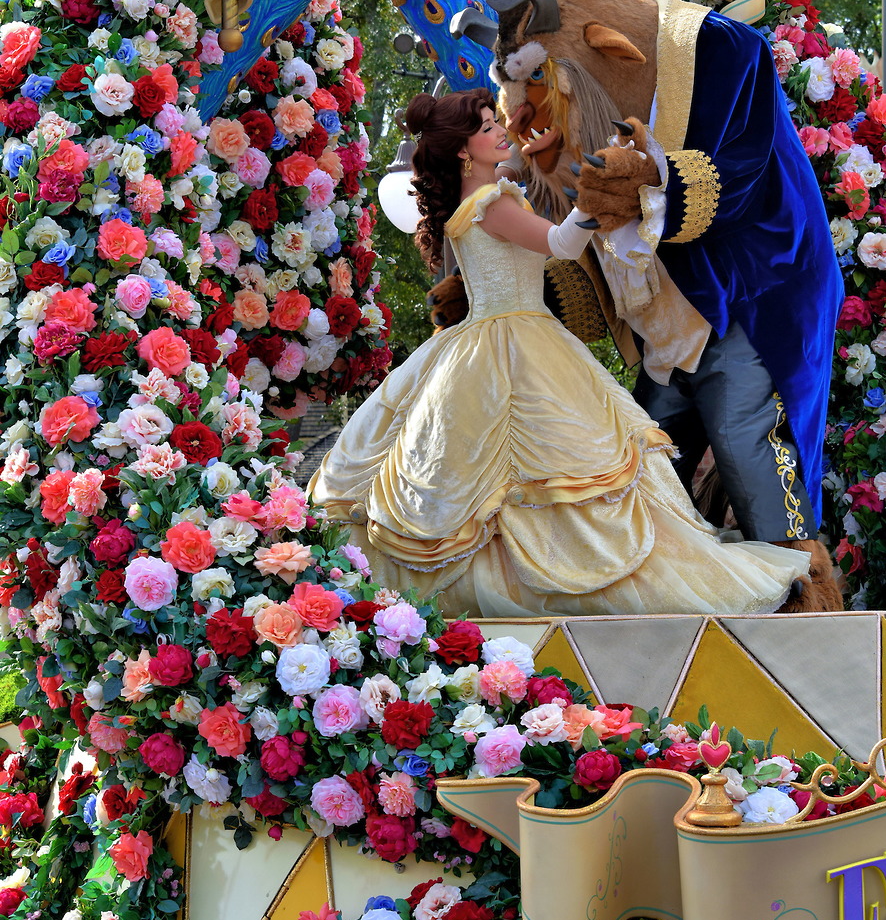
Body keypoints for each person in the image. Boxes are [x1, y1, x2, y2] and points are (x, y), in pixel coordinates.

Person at [307, 89, 809, 618]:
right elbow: (563, 245)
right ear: (462, 152)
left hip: (497, 338)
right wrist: (595, 198)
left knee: (502, 481)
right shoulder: (490, 203)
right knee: (534, 474)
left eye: (493, 121)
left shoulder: (486, 197)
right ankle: (556, 579)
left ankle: (506, 580)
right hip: (514, 341)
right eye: (485, 128)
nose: (500, 130)